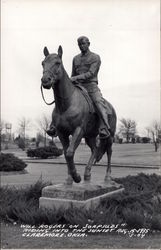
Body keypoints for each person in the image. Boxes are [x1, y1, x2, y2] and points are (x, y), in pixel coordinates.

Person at [47, 36, 111, 138]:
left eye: (83, 44)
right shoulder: (76, 59)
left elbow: (91, 73)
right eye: (79, 44)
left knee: (98, 101)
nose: (81, 46)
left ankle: (104, 127)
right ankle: (54, 125)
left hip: (91, 86)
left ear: (88, 44)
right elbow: (73, 74)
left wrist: (74, 78)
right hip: (77, 85)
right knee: (61, 100)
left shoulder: (95, 57)